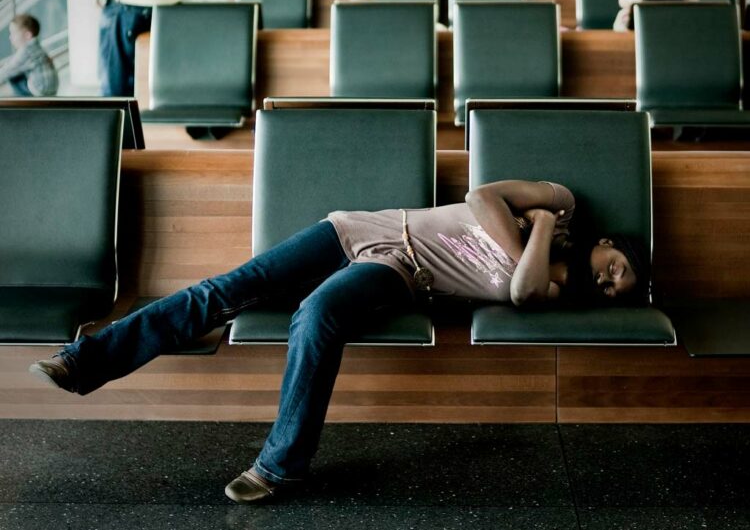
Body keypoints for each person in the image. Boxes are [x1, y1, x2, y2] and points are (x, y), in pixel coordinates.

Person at [29, 179, 648, 504]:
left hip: (402, 273)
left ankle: (280, 466)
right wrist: (537, 226)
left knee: (317, 312)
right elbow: (481, 196)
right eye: (620, 267)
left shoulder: (555, 279)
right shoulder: (564, 199)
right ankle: (86, 362)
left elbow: (518, 293)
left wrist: (535, 231)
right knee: (228, 288)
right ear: (610, 240)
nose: (610, 281)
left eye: (617, 291)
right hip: (364, 229)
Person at [0, 14, 58, 96]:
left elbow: (7, 70)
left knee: (13, 76)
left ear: (28, 35)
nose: (10, 37)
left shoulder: (27, 50)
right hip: (51, 92)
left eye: (13, 33)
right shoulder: (37, 47)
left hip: (39, 92)